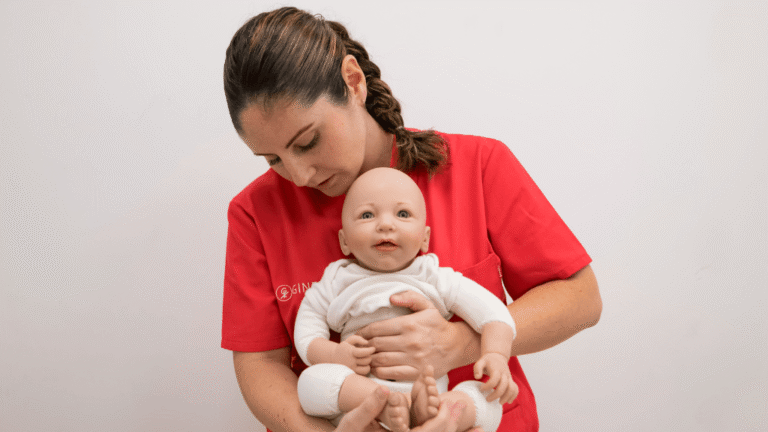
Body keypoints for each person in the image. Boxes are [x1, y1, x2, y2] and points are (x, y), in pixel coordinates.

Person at [221, 6, 602, 432]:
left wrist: (458, 344)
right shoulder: (254, 214)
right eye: (273, 159)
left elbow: (580, 298)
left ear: (353, 82)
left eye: (308, 142)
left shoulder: (479, 165)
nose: (300, 175)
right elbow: (259, 366)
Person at [295, 167, 517, 432]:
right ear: (345, 242)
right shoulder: (337, 280)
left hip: (429, 389)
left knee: (487, 400)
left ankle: (441, 414)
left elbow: (493, 313)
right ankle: (381, 403)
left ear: (424, 238)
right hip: (360, 398)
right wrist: (336, 354)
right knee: (310, 382)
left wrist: (496, 353)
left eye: (402, 214)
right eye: (367, 215)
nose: (386, 224)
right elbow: (307, 332)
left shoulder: (435, 277)